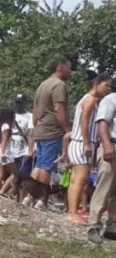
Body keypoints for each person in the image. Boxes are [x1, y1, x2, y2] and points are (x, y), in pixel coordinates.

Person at [65, 73, 111, 224]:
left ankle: (73, 209)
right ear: (96, 84)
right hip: (82, 143)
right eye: (106, 85)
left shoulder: (88, 99)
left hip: (79, 142)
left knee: (76, 180)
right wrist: (86, 143)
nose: (108, 89)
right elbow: (84, 121)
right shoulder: (90, 100)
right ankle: (72, 212)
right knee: (80, 180)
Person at [27, 57, 72, 210]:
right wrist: (67, 129)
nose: (70, 71)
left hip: (40, 129)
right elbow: (59, 109)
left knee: (40, 164)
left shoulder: (42, 84)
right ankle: (41, 199)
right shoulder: (59, 85)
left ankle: (29, 197)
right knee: (46, 166)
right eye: (69, 68)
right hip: (52, 130)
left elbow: (35, 109)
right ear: (60, 67)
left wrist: (36, 125)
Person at [88, 90, 116, 243]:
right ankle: (94, 225)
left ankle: (112, 227)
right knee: (104, 188)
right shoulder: (111, 100)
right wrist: (106, 145)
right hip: (112, 145)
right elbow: (102, 123)